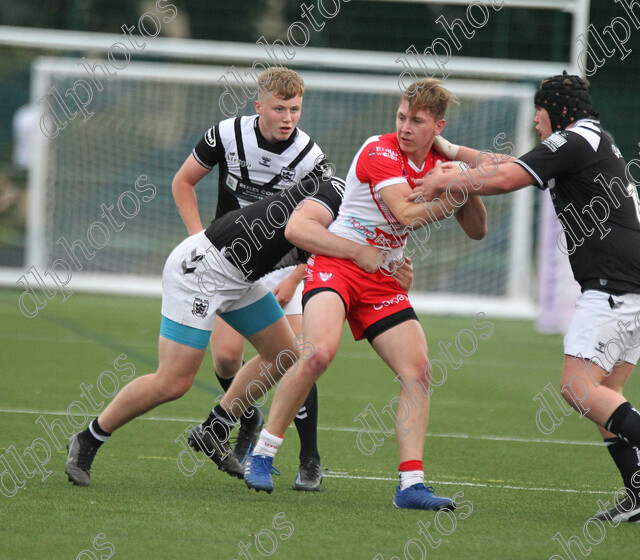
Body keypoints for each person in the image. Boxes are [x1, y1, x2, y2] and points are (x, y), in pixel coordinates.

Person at [412, 72, 640, 522]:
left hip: (616, 289)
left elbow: (506, 177)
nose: (536, 124)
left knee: (577, 388)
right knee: (607, 395)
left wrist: (448, 182)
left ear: (555, 110)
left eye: (539, 114)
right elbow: (508, 162)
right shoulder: (588, 139)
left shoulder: (577, 139)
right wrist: (452, 153)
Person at [241, 79, 487, 510]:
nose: (405, 127)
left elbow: (477, 230)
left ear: (438, 127)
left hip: (382, 278)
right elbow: (407, 212)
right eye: (402, 117)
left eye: (417, 121)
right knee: (317, 354)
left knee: (419, 371)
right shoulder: (380, 150)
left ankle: (410, 486)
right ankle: (262, 453)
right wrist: (455, 190)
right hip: (338, 264)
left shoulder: (438, 160)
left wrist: (463, 175)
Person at [65, 176, 389, 488]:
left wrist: (391, 264)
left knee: (284, 353)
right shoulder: (333, 193)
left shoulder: (356, 222)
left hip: (240, 277)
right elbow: (301, 232)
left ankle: (215, 429)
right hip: (202, 271)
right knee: (174, 382)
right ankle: (88, 438)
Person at [171, 67, 328, 489]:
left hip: (286, 267)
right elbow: (183, 182)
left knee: (297, 357)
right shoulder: (226, 134)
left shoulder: (311, 158)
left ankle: (309, 458)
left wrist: (295, 279)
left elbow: (321, 226)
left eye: (295, 109)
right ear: (259, 106)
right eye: (279, 108)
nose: (288, 117)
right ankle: (243, 416)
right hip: (228, 263)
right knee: (224, 358)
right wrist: (198, 242)